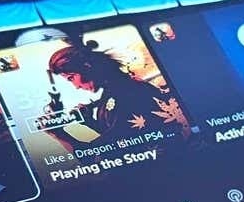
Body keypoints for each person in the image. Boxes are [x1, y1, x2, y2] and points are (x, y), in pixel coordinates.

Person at [43, 34, 175, 144]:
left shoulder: (123, 94)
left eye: (71, 78)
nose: (76, 86)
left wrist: (58, 134)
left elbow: (96, 154)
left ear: (87, 66)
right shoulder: (117, 90)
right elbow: (121, 134)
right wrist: (90, 122)